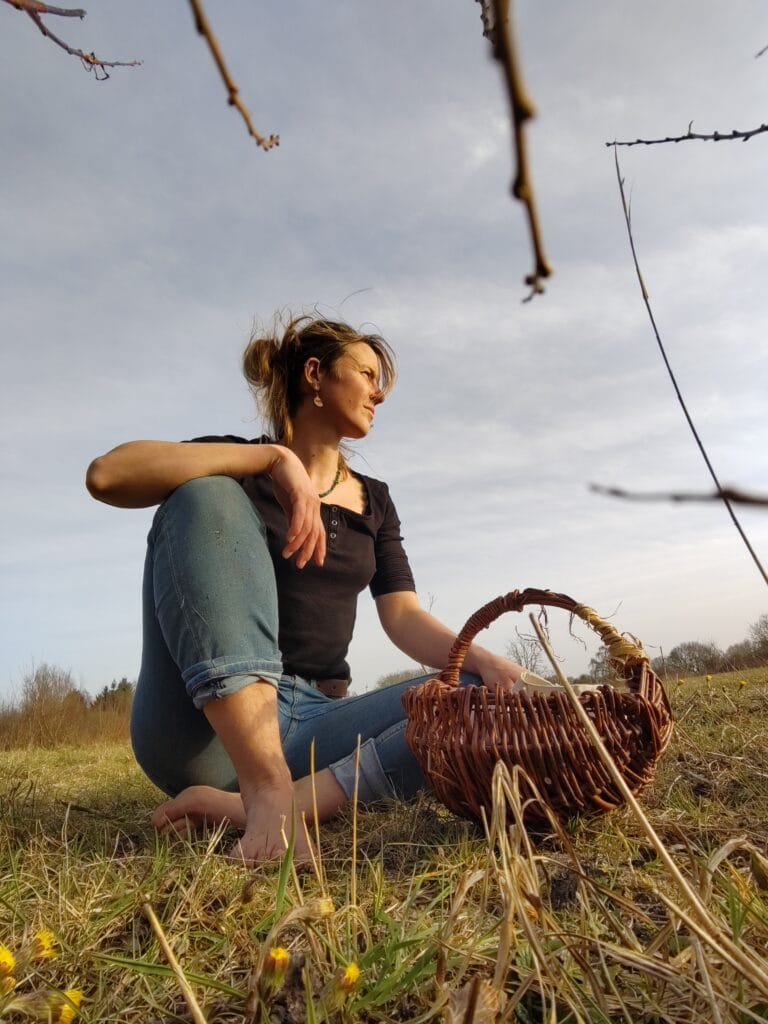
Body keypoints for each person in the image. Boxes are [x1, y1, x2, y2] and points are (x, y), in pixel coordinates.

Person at [86, 315, 526, 865]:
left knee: (476, 702)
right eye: (367, 374)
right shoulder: (240, 465)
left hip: (318, 723)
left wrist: (481, 660)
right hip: (204, 730)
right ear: (315, 374)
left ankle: (279, 801)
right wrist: (274, 460)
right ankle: (266, 790)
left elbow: (403, 616)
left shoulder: (376, 500)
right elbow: (106, 474)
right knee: (204, 494)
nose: (379, 393)